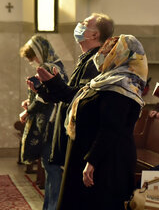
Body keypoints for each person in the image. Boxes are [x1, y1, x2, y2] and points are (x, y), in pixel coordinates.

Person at [58, 35, 148, 210]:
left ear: (121, 55)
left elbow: (111, 128)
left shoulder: (122, 86)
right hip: (92, 155)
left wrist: (92, 161)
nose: (101, 56)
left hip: (108, 162)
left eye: (108, 53)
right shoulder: (104, 80)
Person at [30, 13, 114, 170]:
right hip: (74, 136)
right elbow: (67, 96)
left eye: (85, 23)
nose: (79, 25)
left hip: (83, 139)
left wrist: (54, 83)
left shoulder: (96, 61)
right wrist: (43, 89)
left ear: (95, 34)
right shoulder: (86, 59)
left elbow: (82, 97)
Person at [19, 35, 68, 210]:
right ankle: (49, 206)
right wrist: (29, 102)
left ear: (40, 52)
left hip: (51, 126)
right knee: (50, 168)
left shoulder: (49, 67)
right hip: (51, 124)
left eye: (33, 57)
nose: (32, 61)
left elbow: (44, 99)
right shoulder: (56, 65)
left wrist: (27, 110)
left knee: (53, 169)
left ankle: (53, 206)